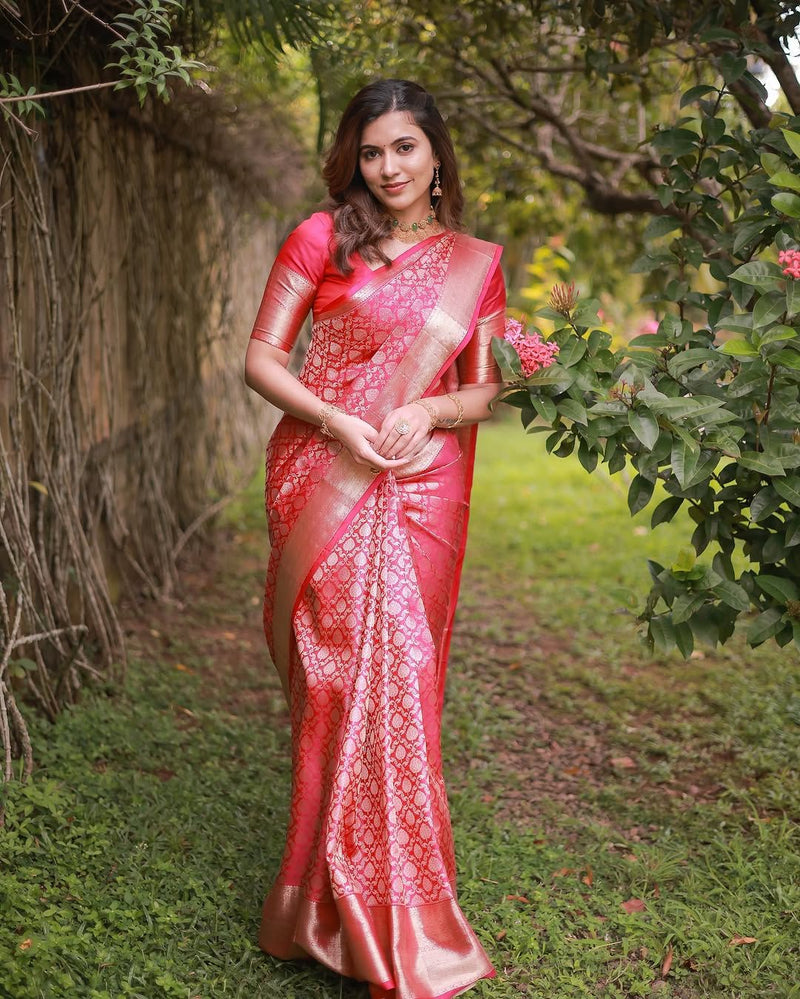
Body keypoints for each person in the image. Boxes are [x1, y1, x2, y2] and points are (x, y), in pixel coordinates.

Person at [244, 78, 506, 999]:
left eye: (405, 148)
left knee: (401, 681)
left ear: (437, 156)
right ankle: (318, 905)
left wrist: (430, 406)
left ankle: (394, 911)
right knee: (334, 683)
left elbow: (488, 390)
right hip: (324, 473)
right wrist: (337, 423)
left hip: (424, 484)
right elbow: (261, 358)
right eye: (371, 151)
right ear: (352, 159)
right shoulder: (322, 236)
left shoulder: (475, 262)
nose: (387, 167)